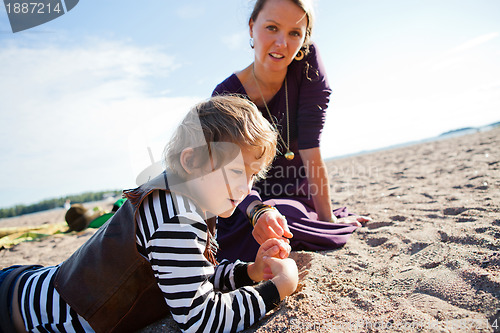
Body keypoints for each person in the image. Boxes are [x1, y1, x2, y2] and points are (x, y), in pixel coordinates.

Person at [0, 96, 298, 333]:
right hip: (22, 311)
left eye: (253, 175)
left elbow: (192, 277)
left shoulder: (193, 198)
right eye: (235, 171)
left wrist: (252, 272)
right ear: (191, 160)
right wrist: (276, 289)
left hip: (34, 286)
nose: (246, 187)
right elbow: (200, 319)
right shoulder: (177, 215)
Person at [212, 0, 370, 262]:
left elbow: (311, 148)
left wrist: (328, 220)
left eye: (294, 33)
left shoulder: (307, 66)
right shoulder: (226, 95)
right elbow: (229, 176)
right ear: (252, 27)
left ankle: (304, 221)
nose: (282, 43)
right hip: (245, 201)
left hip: (296, 195)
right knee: (261, 226)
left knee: (284, 216)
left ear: (304, 39)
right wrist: (257, 210)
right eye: (272, 28)